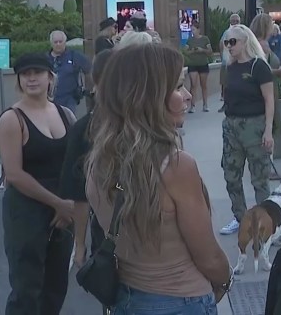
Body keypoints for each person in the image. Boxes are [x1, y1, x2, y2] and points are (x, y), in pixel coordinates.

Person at [86, 43, 232, 313]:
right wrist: (226, 280)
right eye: (177, 87)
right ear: (149, 97)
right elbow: (208, 256)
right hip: (180, 301)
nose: (188, 95)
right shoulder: (176, 166)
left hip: (127, 299)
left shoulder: (98, 160)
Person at [0, 52, 76, 315]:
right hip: (27, 211)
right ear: (18, 80)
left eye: (37, 72)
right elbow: (14, 174)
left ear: (50, 76)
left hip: (63, 211)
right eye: (25, 74)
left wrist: (70, 205)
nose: (31, 78)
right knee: (26, 288)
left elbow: (76, 162)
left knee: (55, 286)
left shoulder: (65, 114)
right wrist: (59, 204)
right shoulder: (12, 119)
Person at [218, 25, 276, 236]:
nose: (229, 46)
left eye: (233, 42)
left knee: (259, 178)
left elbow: (269, 99)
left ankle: (266, 222)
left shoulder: (258, 66)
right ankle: (240, 218)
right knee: (231, 175)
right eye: (226, 42)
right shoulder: (229, 67)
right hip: (231, 126)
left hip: (254, 125)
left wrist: (268, 130)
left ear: (245, 42)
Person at [59, 49, 113, 269]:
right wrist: (79, 245)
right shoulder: (83, 131)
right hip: (107, 241)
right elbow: (79, 196)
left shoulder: (142, 125)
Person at [46, 30, 91, 115]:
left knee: (68, 124)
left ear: (65, 42)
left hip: (69, 100)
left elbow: (90, 70)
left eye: (60, 41)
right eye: (55, 42)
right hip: (48, 100)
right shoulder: (45, 59)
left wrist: (91, 88)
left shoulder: (75, 56)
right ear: (51, 43)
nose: (58, 44)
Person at [185, 23, 213, 113]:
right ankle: (192, 106)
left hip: (203, 63)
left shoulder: (205, 39)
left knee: (203, 85)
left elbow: (210, 51)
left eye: (194, 30)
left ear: (198, 30)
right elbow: (186, 51)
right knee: (193, 85)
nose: (193, 32)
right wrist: (192, 51)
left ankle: (205, 104)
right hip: (193, 64)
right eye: (191, 30)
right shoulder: (190, 40)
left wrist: (202, 50)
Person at [219, 14, 242, 113]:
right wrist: (223, 58)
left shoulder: (243, 32)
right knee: (225, 84)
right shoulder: (227, 32)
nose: (235, 23)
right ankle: (226, 103)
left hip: (240, 62)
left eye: (237, 21)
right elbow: (221, 45)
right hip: (227, 62)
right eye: (233, 21)